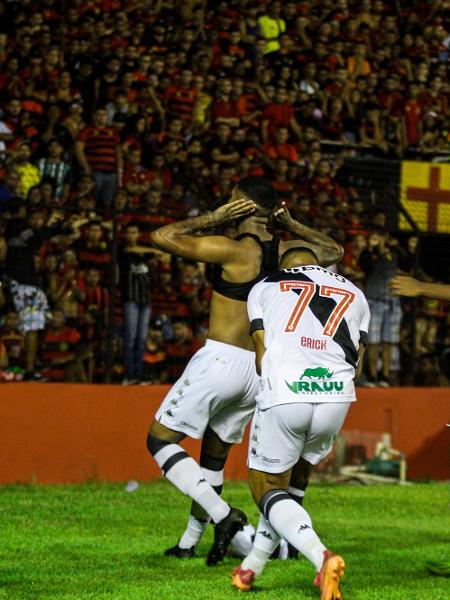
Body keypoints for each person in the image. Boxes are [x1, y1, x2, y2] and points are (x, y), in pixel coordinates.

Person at [147, 177, 343, 565]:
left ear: (239, 204)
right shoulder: (291, 252)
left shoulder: (234, 250)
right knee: (213, 459)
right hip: (259, 369)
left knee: (160, 441)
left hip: (220, 360)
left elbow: (162, 236)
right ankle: (190, 542)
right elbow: (334, 250)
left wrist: (212, 217)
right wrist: (292, 225)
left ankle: (225, 518)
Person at [231, 247, 370, 597]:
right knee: (289, 484)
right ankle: (252, 567)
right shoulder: (356, 293)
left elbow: (262, 356)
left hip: (287, 391)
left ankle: (321, 557)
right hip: (336, 397)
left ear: (284, 265)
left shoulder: (265, 285)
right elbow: (360, 364)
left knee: (265, 485)